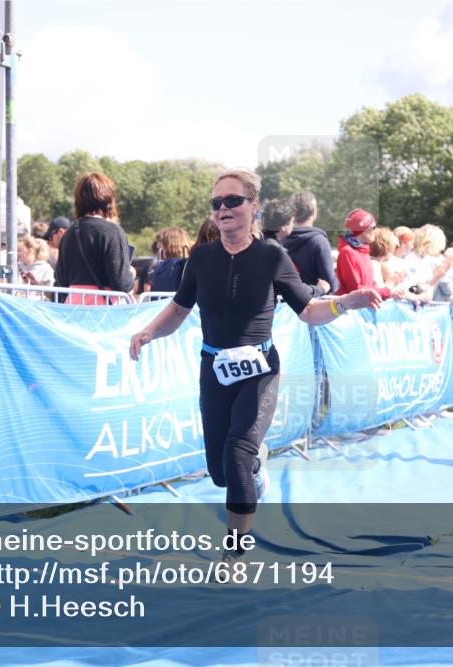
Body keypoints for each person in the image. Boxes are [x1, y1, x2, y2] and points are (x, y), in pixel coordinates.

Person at [128, 169, 382, 569]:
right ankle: (254, 467)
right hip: (214, 369)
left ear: (254, 207)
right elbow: (179, 308)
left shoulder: (271, 256)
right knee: (219, 471)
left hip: (259, 369)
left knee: (237, 453)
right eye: (217, 203)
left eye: (233, 201)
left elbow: (309, 310)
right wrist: (148, 332)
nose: (223, 209)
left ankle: (234, 551)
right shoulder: (202, 257)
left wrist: (346, 301)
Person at [54, 173, 135, 305]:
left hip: (73, 309)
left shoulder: (68, 234)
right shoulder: (112, 231)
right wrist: (131, 274)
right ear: (108, 199)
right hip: (104, 312)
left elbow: (61, 281)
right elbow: (120, 283)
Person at [281, 191, 339, 294]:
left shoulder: (280, 238)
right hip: (313, 303)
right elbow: (331, 284)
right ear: (314, 211)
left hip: (284, 303)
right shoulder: (319, 241)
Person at [336, 209, 401, 299]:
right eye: (373, 227)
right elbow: (355, 290)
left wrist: (389, 292)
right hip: (351, 310)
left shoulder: (364, 251)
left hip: (363, 306)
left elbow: (371, 284)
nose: (376, 231)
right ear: (363, 230)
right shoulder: (347, 252)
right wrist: (386, 290)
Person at [149, 227, 192, 293]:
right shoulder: (190, 264)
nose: (158, 246)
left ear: (170, 245)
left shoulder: (165, 266)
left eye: (160, 242)